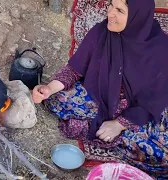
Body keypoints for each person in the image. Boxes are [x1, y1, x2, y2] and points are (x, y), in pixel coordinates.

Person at [32, 0, 168, 178]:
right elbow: (74, 69)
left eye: (119, 10)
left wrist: (119, 125)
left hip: (137, 109)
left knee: (160, 156)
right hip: (100, 96)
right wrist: (48, 88)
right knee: (54, 98)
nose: (110, 13)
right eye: (111, 5)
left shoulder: (160, 49)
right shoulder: (101, 32)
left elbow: (154, 99)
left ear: (137, 16)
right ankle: (99, 127)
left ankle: (101, 128)